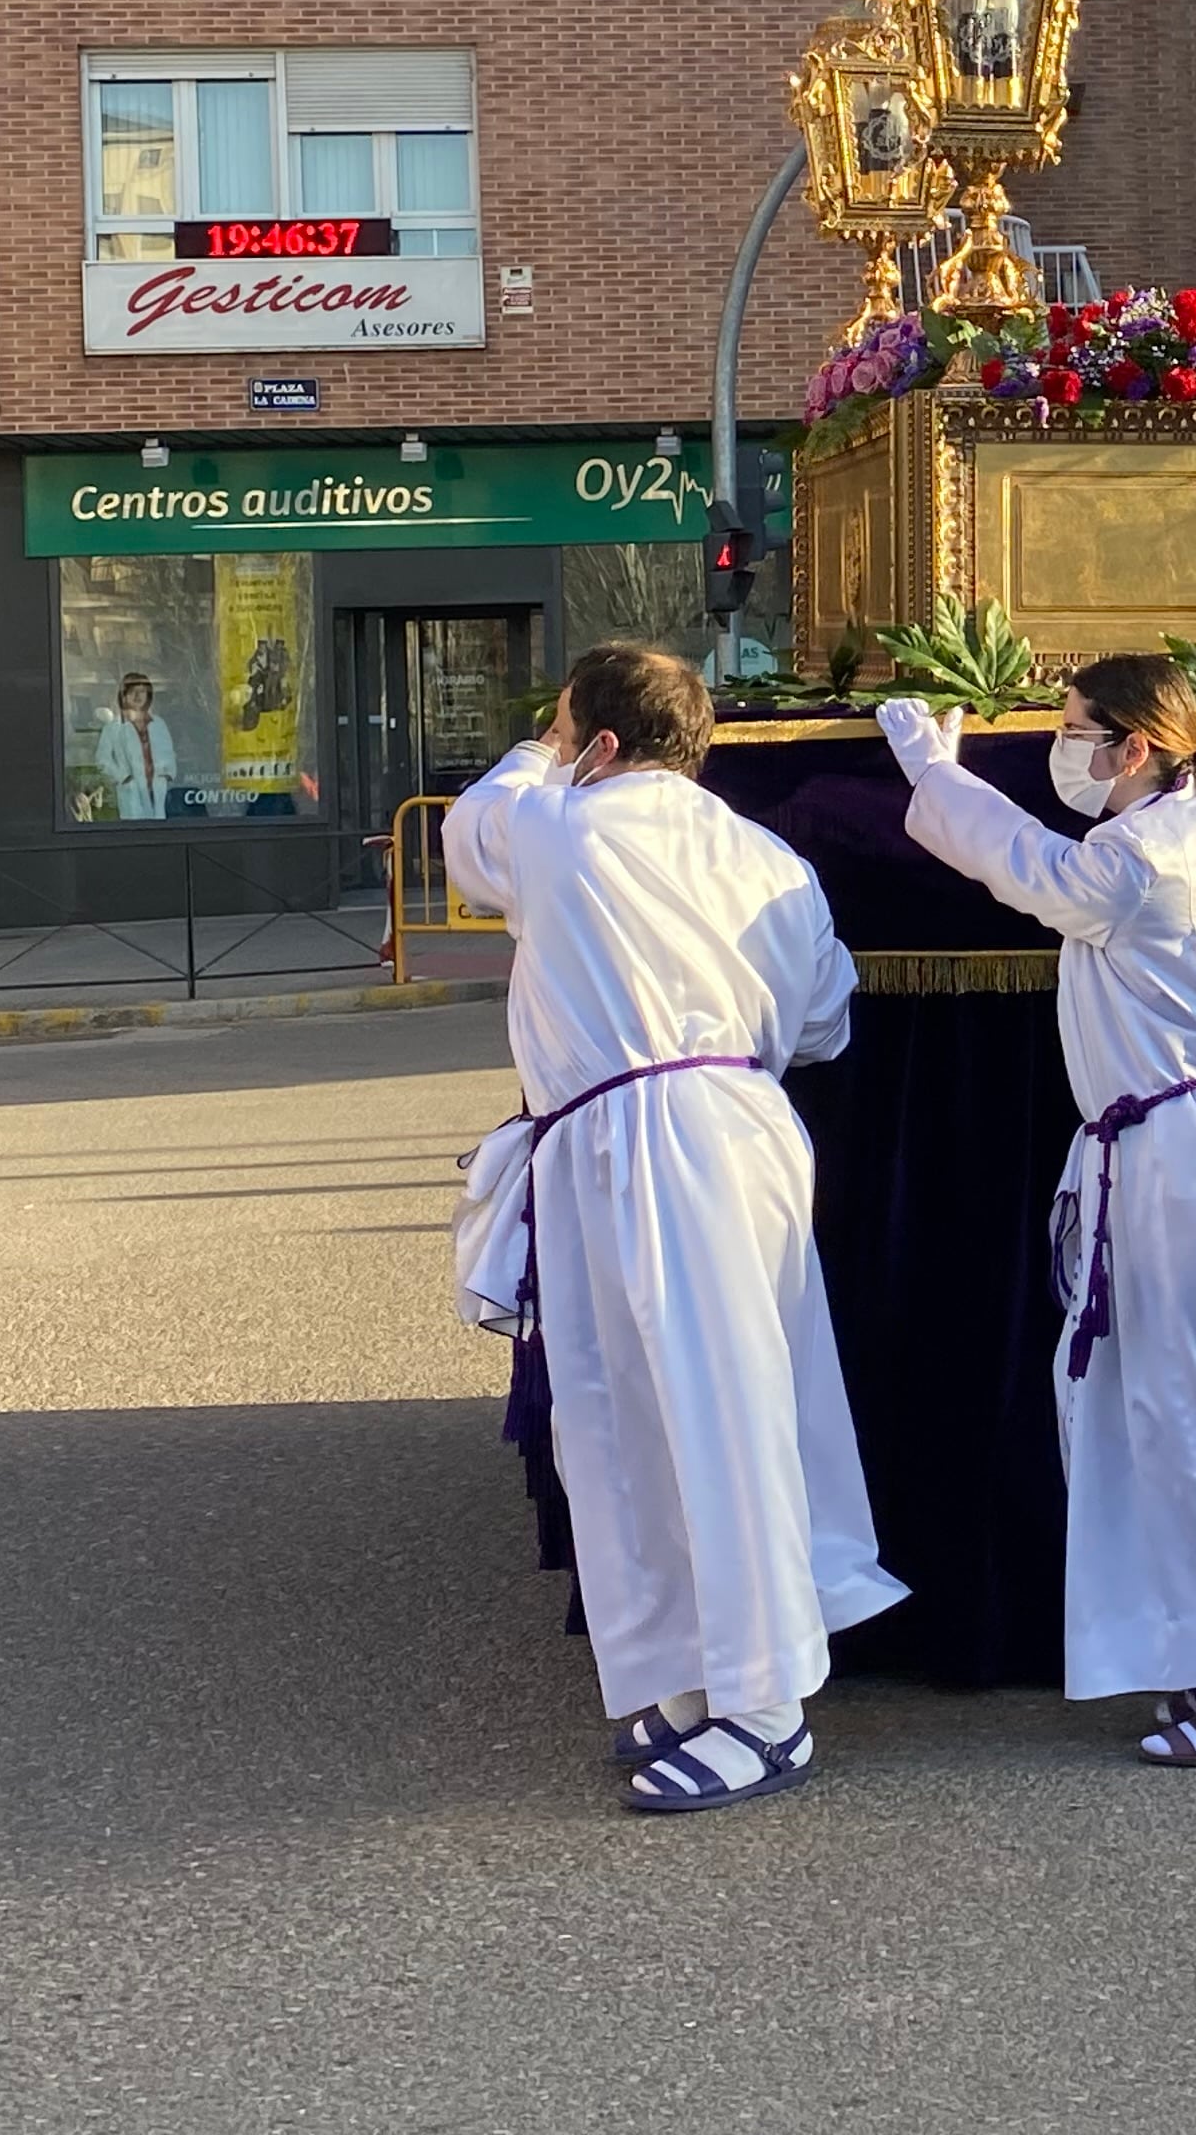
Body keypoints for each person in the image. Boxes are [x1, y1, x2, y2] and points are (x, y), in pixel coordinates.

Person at [444, 641, 902, 1815]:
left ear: (597, 744)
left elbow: (466, 833)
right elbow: (825, 1021)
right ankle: (685, 1678)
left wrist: (537, 758)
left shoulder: (555, 820)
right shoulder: (769, 859)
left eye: (563, 729)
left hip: (652, 1134)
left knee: (698, 1416)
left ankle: (766, 1709)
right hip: (724, 1122)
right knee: (636, 1415)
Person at [877, 655, 1196, 1767]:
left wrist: (934, 776)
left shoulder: (1140, 857)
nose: (1062, 748)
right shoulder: (1191, 828)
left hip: (1186, 1163)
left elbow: (1029, 867)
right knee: (1189, 1407)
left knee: (1193, 1414)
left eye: (1073, 730)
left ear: (1134, 746)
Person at [93, 675, 173, 821]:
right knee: (134, 828)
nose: (137, 696)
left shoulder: (159, 724)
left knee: (159, 828)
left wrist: (167, 774)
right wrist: (123, 777)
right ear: (124, 696)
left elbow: (169, 753)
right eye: (132, 691)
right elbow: (102, 760)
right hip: (131, 790)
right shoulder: (113, 728)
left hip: (156, 787)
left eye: (142, 691)